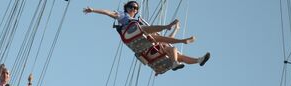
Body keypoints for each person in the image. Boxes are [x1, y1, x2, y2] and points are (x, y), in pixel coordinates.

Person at [83, 1, 211, 69]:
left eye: (136, 8)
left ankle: (191, 61)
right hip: (131, 32)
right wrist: (93, 10)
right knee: (147, 30)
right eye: (132, 7)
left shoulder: (137, 21)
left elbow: (165, 39)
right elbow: (108, 13)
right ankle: (177, 36)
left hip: (151, 47)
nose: (134, 9)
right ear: (127, 7)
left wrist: (176, 29)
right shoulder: (123, 16)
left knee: (173, 50)